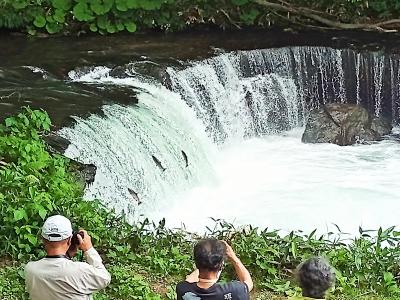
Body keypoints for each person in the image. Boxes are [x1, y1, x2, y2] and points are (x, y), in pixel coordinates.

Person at [25, 215, 111, 300]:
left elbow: (58, 268)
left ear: (42, 239)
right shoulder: (80, 270)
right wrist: (89, 249)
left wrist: (68, 255)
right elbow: (104, 278)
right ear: (70, 239)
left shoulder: (30, 269)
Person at [176, 239, 253, 300]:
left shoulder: (182, 290)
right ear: (221, 266)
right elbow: (249, 283)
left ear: (196, 263)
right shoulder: (236, 290)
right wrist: (233, 257)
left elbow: (189, 281)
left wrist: (205, 261)